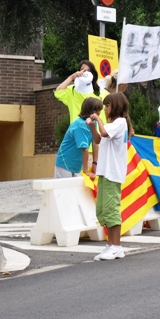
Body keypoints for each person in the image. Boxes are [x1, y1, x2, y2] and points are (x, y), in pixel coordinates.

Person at [88, 92, 132, 261]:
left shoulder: (120, 122)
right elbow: (98, 139)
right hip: (105, 172)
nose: (105, 109)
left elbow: (104, 133)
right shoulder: (112, 124)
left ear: (116, 106)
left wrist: (97, 120)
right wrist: (92, 125)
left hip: (113, 172)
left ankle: (116, 246)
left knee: (112, 208)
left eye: (107, 106)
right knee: (104, 209)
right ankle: (111, 245)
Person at [55, 98, 103, 177]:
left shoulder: (93, 123)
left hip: (76, 165)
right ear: (93, 111)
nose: (100, 113)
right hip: (65, 163)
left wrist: (95, 163)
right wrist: (86, 171)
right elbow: (84, 149)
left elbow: (95, 143)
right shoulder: (80, 125)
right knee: (64, 188)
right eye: (99, 110)